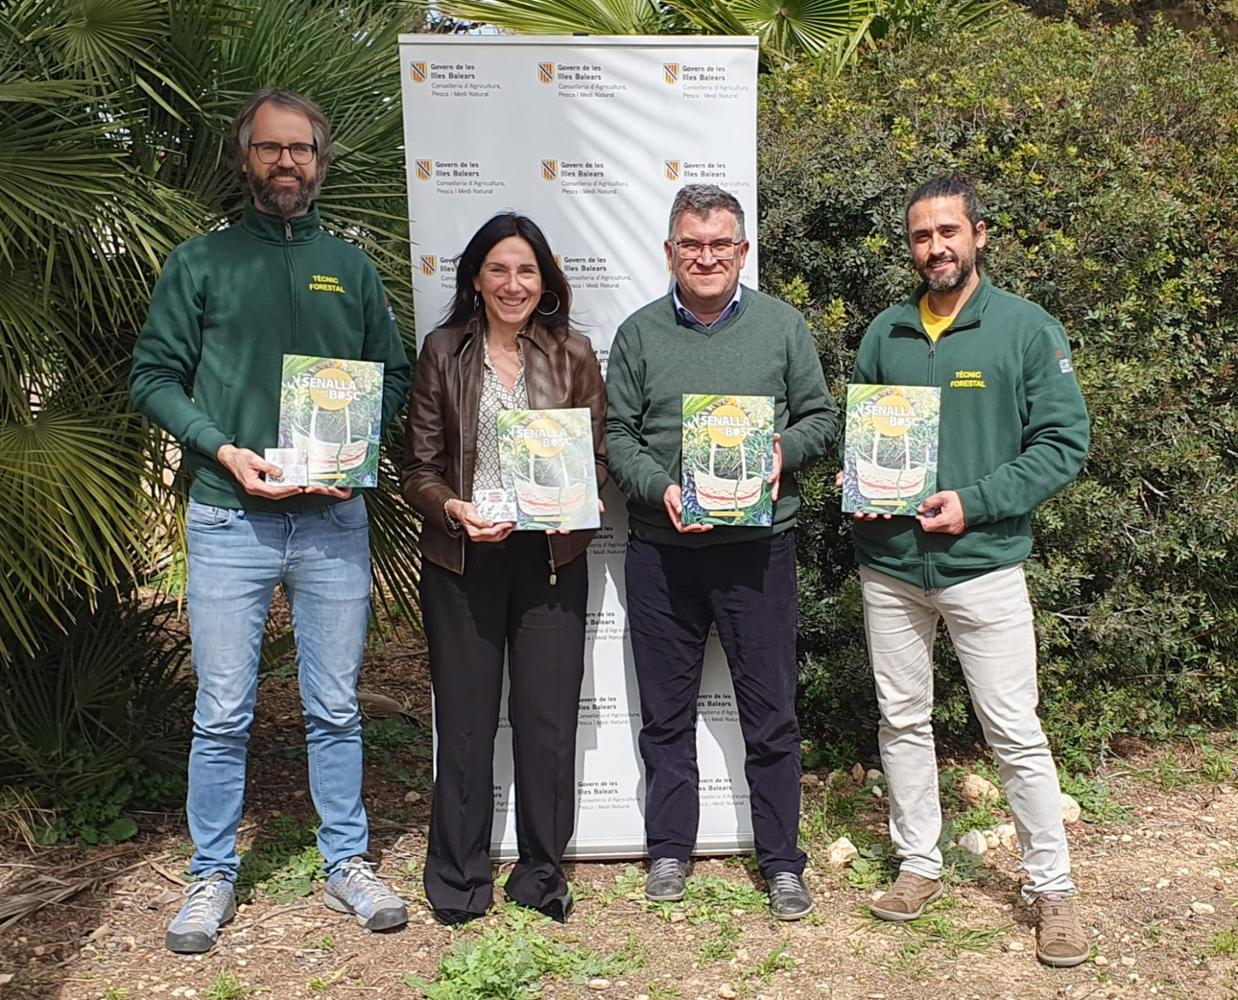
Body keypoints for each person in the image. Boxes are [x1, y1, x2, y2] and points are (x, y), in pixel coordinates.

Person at [130, 88, 412, 954]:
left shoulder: (350, 267)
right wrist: (223, 450)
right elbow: (153, 378)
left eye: (300, 151)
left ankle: (347, 864)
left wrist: (350, 454)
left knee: (334, 707)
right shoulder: (200, 263)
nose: (285, 163)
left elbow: (391, 374)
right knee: (221, 711)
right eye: (269, 149)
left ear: (320, 163)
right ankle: (211, 875)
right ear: (244, 158)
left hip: (332, 523)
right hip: (228, 522)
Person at [849, 174, 1091, 967]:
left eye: (949, 232)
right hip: (890, 568)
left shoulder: (1024, 329)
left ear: (979, 234)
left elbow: (1062, 444)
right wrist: (863, 494)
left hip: (982, 564)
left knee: (1014, 731)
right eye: (922, 236)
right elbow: (872, 445)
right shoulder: (885, 331)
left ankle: (1051, 887)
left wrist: (976, 503)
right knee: (902, 720)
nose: (936, 248)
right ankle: (920, 862)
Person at [605, 184, 836, 920]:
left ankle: (782, 864)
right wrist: (658, 488)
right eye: (691, 245)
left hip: (758, 553)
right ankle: (669, 850)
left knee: (770, 716)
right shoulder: (639, 335)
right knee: (665, 717)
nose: (706, 257)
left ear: (742, 250)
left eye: (720, 244)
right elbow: (618, 436)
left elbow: (821, 418)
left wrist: (781, 454)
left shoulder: (782, 327)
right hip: (662, 551)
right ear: (670, 252)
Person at [401, 213, 607, 926]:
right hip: (463, 558)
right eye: (498, 269)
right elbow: (417, 469)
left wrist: (568, 500)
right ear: (476, 279)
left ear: (544, 279)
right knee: (464, 723)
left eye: (526, 270)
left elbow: (598, 459)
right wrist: (454, 509)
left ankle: (542, 875)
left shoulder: (574, 354)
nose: (513, 284)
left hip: (551, 558)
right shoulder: (442, 351)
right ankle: (458, 880)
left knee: (547, 725)